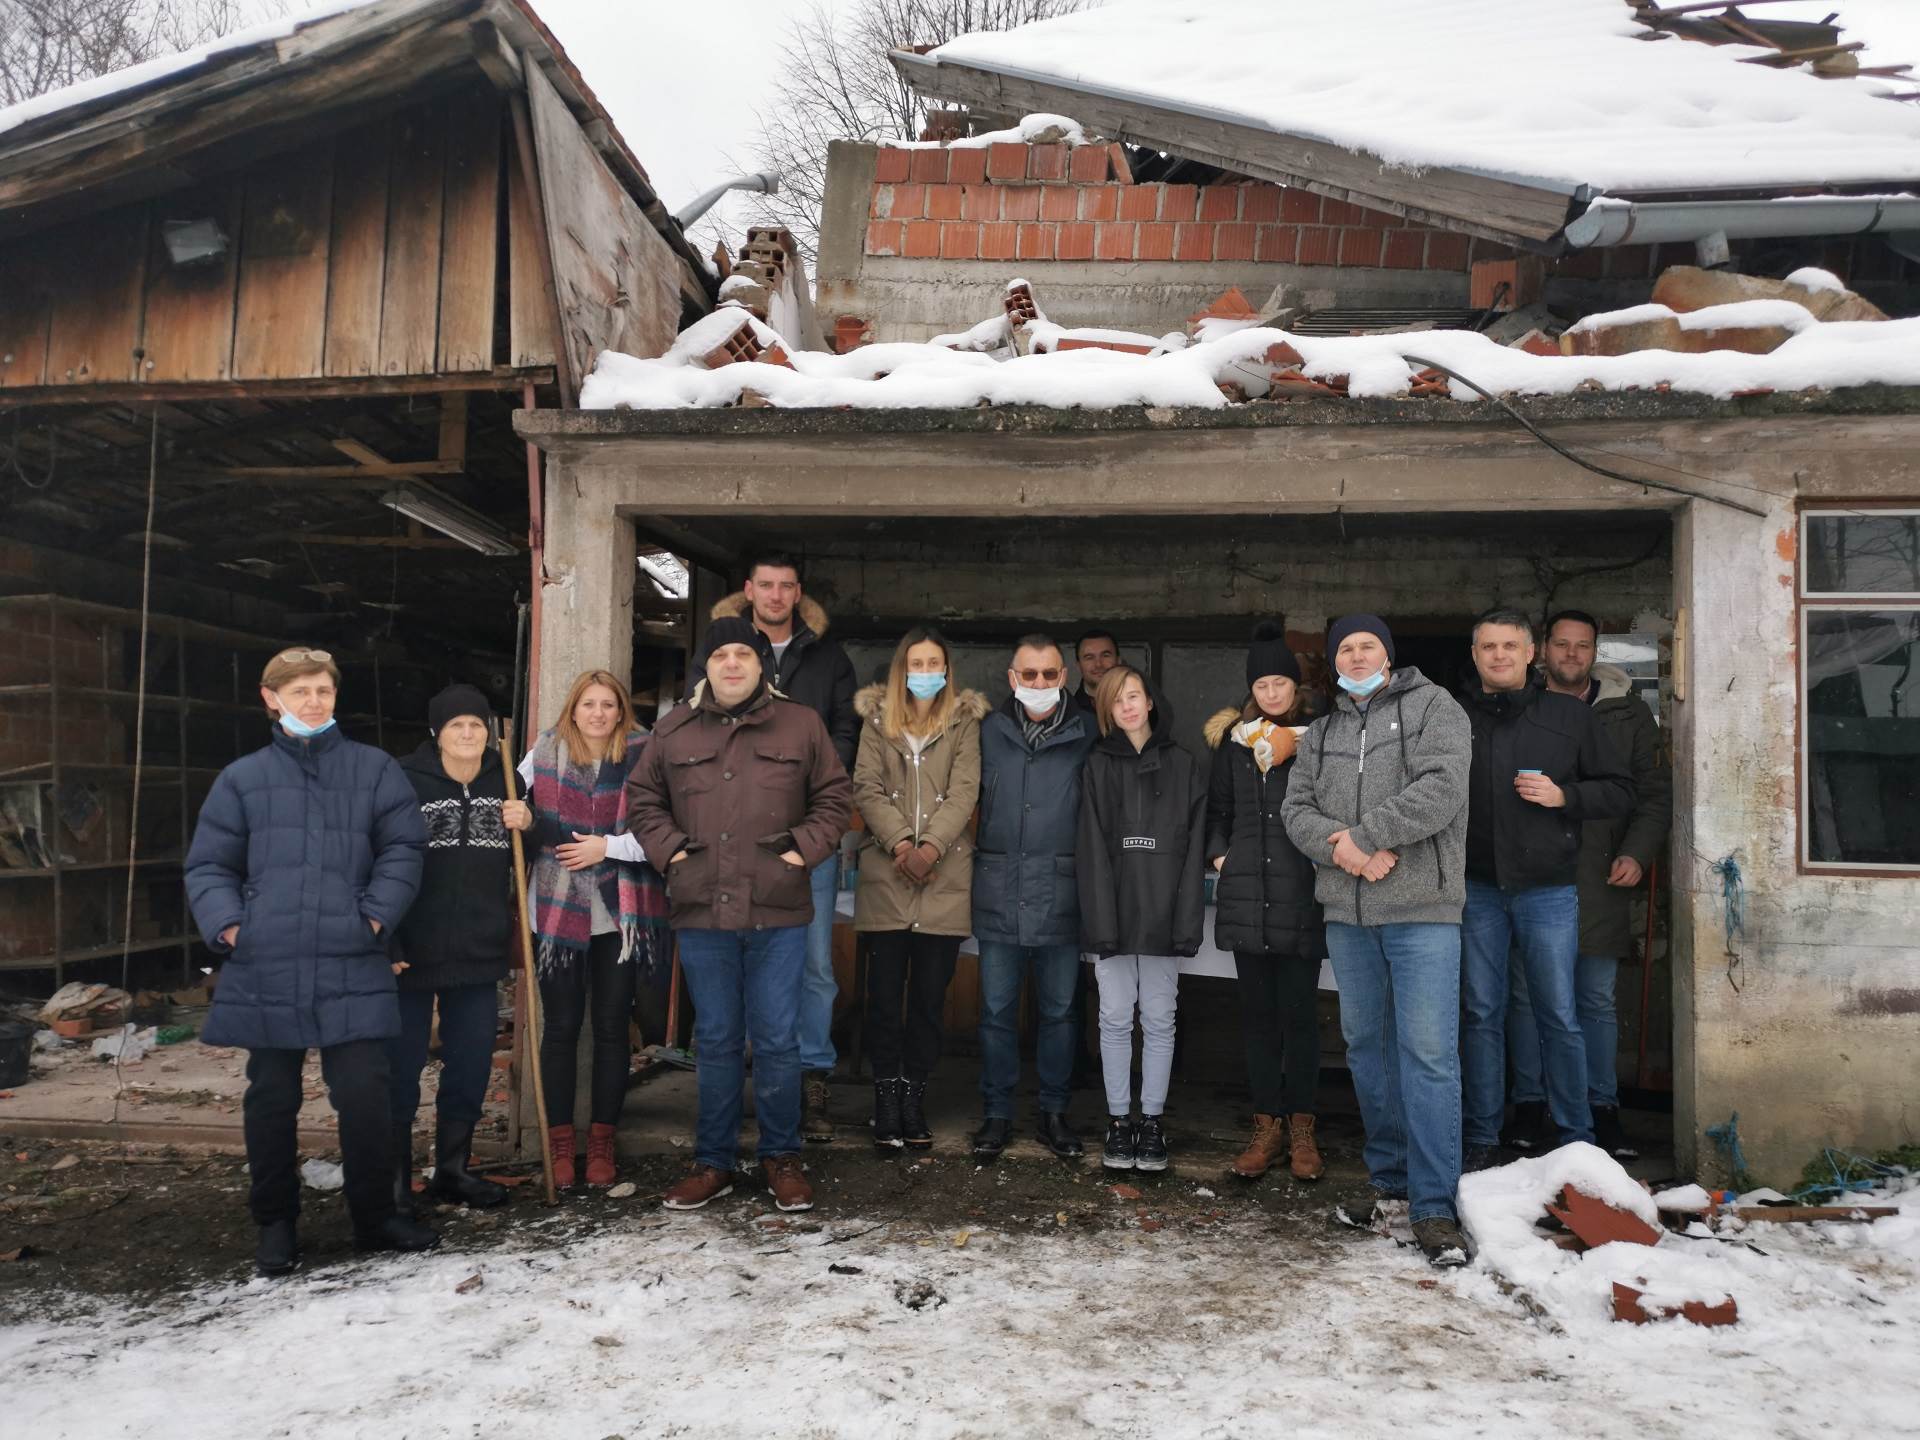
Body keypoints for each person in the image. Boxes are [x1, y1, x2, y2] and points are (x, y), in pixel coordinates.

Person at [186, 646, 436, 1276]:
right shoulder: (242, 779)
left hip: (352, 954)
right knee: (270, 1095)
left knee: (364, 1094)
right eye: (300, 692)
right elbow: (209, 864)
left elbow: (404, 848)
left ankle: (375, 1217)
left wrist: (374, 916)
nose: (313, 701)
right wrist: (232, 928)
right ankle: (275, 1224)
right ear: (271, 698)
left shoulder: (374, 770)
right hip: (267, 960)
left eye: (323, 690)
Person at [626, 618, 854, 1212]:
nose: (732, 664)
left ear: (761, 667)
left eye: (744, 655)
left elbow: (834, 795)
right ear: (707, 665)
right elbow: (642, 799)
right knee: (718, 1038)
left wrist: (802, 849)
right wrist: (670, 850)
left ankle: (782, 1155)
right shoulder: (673, 729)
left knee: (779, 1038)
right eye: (721, 654)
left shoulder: (801, 723)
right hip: (702, 907)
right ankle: (714, 1160)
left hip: (778, 907)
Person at [1281, 614, 1473, 1267]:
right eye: (1345, 647)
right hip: (1349, 914)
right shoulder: (1325, 729)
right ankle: (1390, 1182)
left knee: (1427, 1054)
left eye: (1368, 645)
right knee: (1367, 1048)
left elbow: (1443, 789)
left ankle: (1434, 1204)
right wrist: (1346, 852)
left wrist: (1368, 837)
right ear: (1333, 660)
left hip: (1422, 911)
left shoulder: (1433, 709)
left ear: (1388, 655)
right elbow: (1295, 810)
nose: (1356, 655)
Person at [1458, 609, 1634, 1172]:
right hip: (1476, 886)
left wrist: (1565, 798)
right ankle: (1483, 1135)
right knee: (1482, 1012)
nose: (1500, 655)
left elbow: (1619, 791)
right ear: (1475, 655)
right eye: (1489, 647)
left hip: (1548, 888)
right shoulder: (1454, 717)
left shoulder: (1568, 716)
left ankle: (1576, 1136)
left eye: (1511, 645)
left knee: (1559, 1012)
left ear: (1531, 653)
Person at [1504, 609, 1667, 1161]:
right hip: (1531, 869)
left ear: (1596, 652)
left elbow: (1652, 794)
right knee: (1526, 997)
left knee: (1593, 998)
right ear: (1542, 650)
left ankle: (1602, 1108)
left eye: (1583, 646)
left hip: (1600, 872)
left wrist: (1636, 853)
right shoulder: (1518, 705)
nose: (1572, 654)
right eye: (1562, 644)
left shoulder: (1626, 714)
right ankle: (1530, 1103)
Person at [710, 552, 857, 1144]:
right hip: (730, 837)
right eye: (765, 586)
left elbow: (847, 729)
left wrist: (816, 788)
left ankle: (812, 1078)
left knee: (815, 966)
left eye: (785, 587)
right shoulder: (720, 651)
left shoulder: (827, 658)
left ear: (799, 594)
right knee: (737, 962)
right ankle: (756, 1082)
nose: (774, 596)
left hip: (806, 837)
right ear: (748, 590)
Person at [521, 670, 670, 1191]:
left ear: (621, 710)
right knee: (561, 1027)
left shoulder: (645, 752)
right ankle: (561, 1143)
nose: (599, 713)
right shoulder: (542, 753)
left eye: (609, 704)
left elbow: (660, 830)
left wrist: (606, 847)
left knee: (611, 1028)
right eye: (589, 704)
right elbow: (520, 811)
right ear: (573, 707)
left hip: (620, 914)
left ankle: (602, 1141)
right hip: (557, 911)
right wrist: (519, 816)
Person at [386, 684, 528, 1216]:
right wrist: (387, 937)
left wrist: (529, 823)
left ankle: (452, 1169)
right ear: (436, 733)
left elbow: (530, 849)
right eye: (456, 726)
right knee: (400, 1067)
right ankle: (395, 1181)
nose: (468, 734)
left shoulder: (506, 777)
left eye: (476, 725)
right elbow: (375, 855)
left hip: (478, 946)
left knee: (469, 1064)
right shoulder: (403, 779)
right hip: (412, 950)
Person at [850, 627, 986, 1150]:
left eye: (934, 663)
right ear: (901, 670)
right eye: (916, 663)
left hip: (945, 878)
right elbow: (866, 786)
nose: (926, 672)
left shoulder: (964, 722)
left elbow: (965, 789)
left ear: (947, 670)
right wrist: (902, 844)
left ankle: (913, 1096)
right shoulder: (877, 722)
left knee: (930, 1000)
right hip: (888, 877)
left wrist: (929, 848)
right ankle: (885, 1097)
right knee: (884, 998)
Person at [1204, 623, 1328, 1182]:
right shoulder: (1234, 743)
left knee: (1300, 1016)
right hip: (1247, 891)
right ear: (1250, 688)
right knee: (1257, 1017)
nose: (1271, 693)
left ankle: (1302, 1126)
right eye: (1262, 684)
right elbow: (1218, 812)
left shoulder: (1322, 736)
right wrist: (1219, 856)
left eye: (1280, 682)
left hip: (1301, 892)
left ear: (1295, 685)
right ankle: (1266, 1125)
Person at [970, 633, 1097, 1160]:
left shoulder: (1088, 732)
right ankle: (997, 1115)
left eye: (1049, 675)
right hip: (1000, 888)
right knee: (996, 1012)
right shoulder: (987, 732)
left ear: (1064, 677)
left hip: (1061, 891)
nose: (1039, 684)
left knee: (1060, 1012)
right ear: (1012, 678)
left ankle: (1053, 1113)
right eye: (1029, 675)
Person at [1077, 666, 1207, 1172]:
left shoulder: (1182, 764)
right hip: (1112, 906)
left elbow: (1194, 843)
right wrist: (1098, 916)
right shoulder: (1096, 766)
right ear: (1107, 711)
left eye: (1135, 696)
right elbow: (1089, 845)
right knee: (1112, 1017)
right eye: (1117, 700)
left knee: (1158, 1018)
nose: (1128, 706)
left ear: (1150, 701)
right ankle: (1118, 1119)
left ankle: (1151, 1120)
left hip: (1162, 909)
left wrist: (1184, 913)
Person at [1071, 629, 1121, 715]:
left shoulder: (1137, 706)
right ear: (1079, 665)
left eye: (1106, 655)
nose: (1098, 664)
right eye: (1089, 657)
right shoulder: (1069, 712)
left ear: (1118, 660)